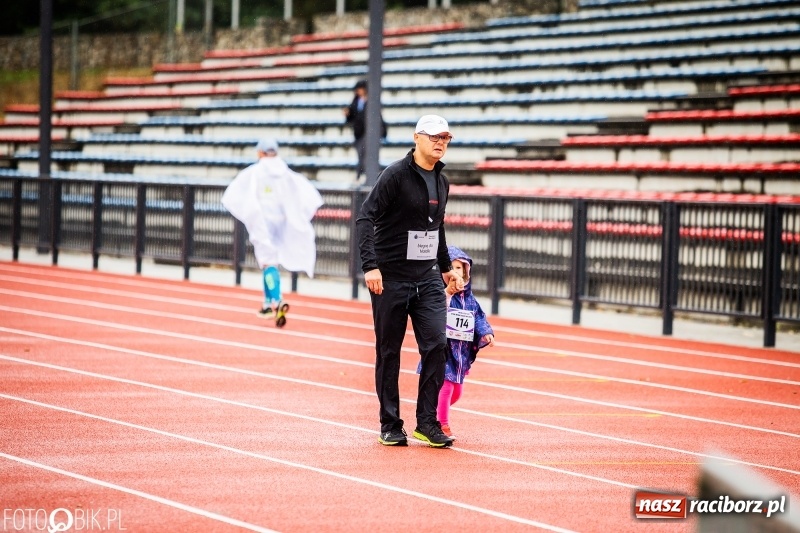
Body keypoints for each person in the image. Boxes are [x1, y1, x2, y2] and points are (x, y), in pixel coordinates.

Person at [356, 114, 464, 448]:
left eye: (445, 137)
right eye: (434, 137)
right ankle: (390, 423)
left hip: (428, 279)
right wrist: (370, 266)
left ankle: (427, 423)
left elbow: (437, 227)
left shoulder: (442, 181)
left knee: (437, 346)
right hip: (390, 279)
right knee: (389, 352)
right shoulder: (395, 176)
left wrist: (447, 267)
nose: (440, 142)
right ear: (416, 138)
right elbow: (365, 217)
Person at [221, 138, 323, 328]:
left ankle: (276, 300)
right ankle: (267, 304)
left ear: (260, 153)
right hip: (282, 221)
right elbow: (306, 194)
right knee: (269, 262)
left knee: (269, 262)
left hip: (263, 222)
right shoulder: (286, 172)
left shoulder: (255, 172)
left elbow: (235, 194)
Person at [418, 245, 495, 440]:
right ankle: (442, 424)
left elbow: (478, 317)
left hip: (462, 351)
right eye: (452, 268)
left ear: (467, 272)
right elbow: (435, 310)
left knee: (456, 392)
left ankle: (432, 411)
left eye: (460, 268)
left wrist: (486, 332)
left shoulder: (471, 300)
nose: (456, 272)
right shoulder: (440, 295)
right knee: (447, 386)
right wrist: (447, 293)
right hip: (444, 349)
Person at [344, 79, 387, 181]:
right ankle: (361, 175)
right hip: (359, 133)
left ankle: (364, 175)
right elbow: (351, 117)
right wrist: (348, 114)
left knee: (366, 155)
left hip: (368, 133)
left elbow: (378, 117)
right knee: (361, 155)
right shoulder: (356, 101)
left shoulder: (371, 101)